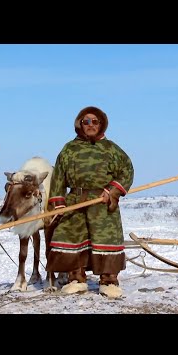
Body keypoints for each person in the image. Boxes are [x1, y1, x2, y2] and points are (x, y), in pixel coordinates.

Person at [46, 106, 134, 298]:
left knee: (105, 239)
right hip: (75, 201)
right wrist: (58, 202)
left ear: (101, 124)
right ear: (80, 124)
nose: (91, 125)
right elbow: (58, 177)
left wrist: (111, 191)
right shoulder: (69, 149)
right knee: (71, 236)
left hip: (102, 201)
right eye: (86, 121)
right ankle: (76, 279)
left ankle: (109, 281)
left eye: (95, 121)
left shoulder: (112, 149)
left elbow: (126, 171)